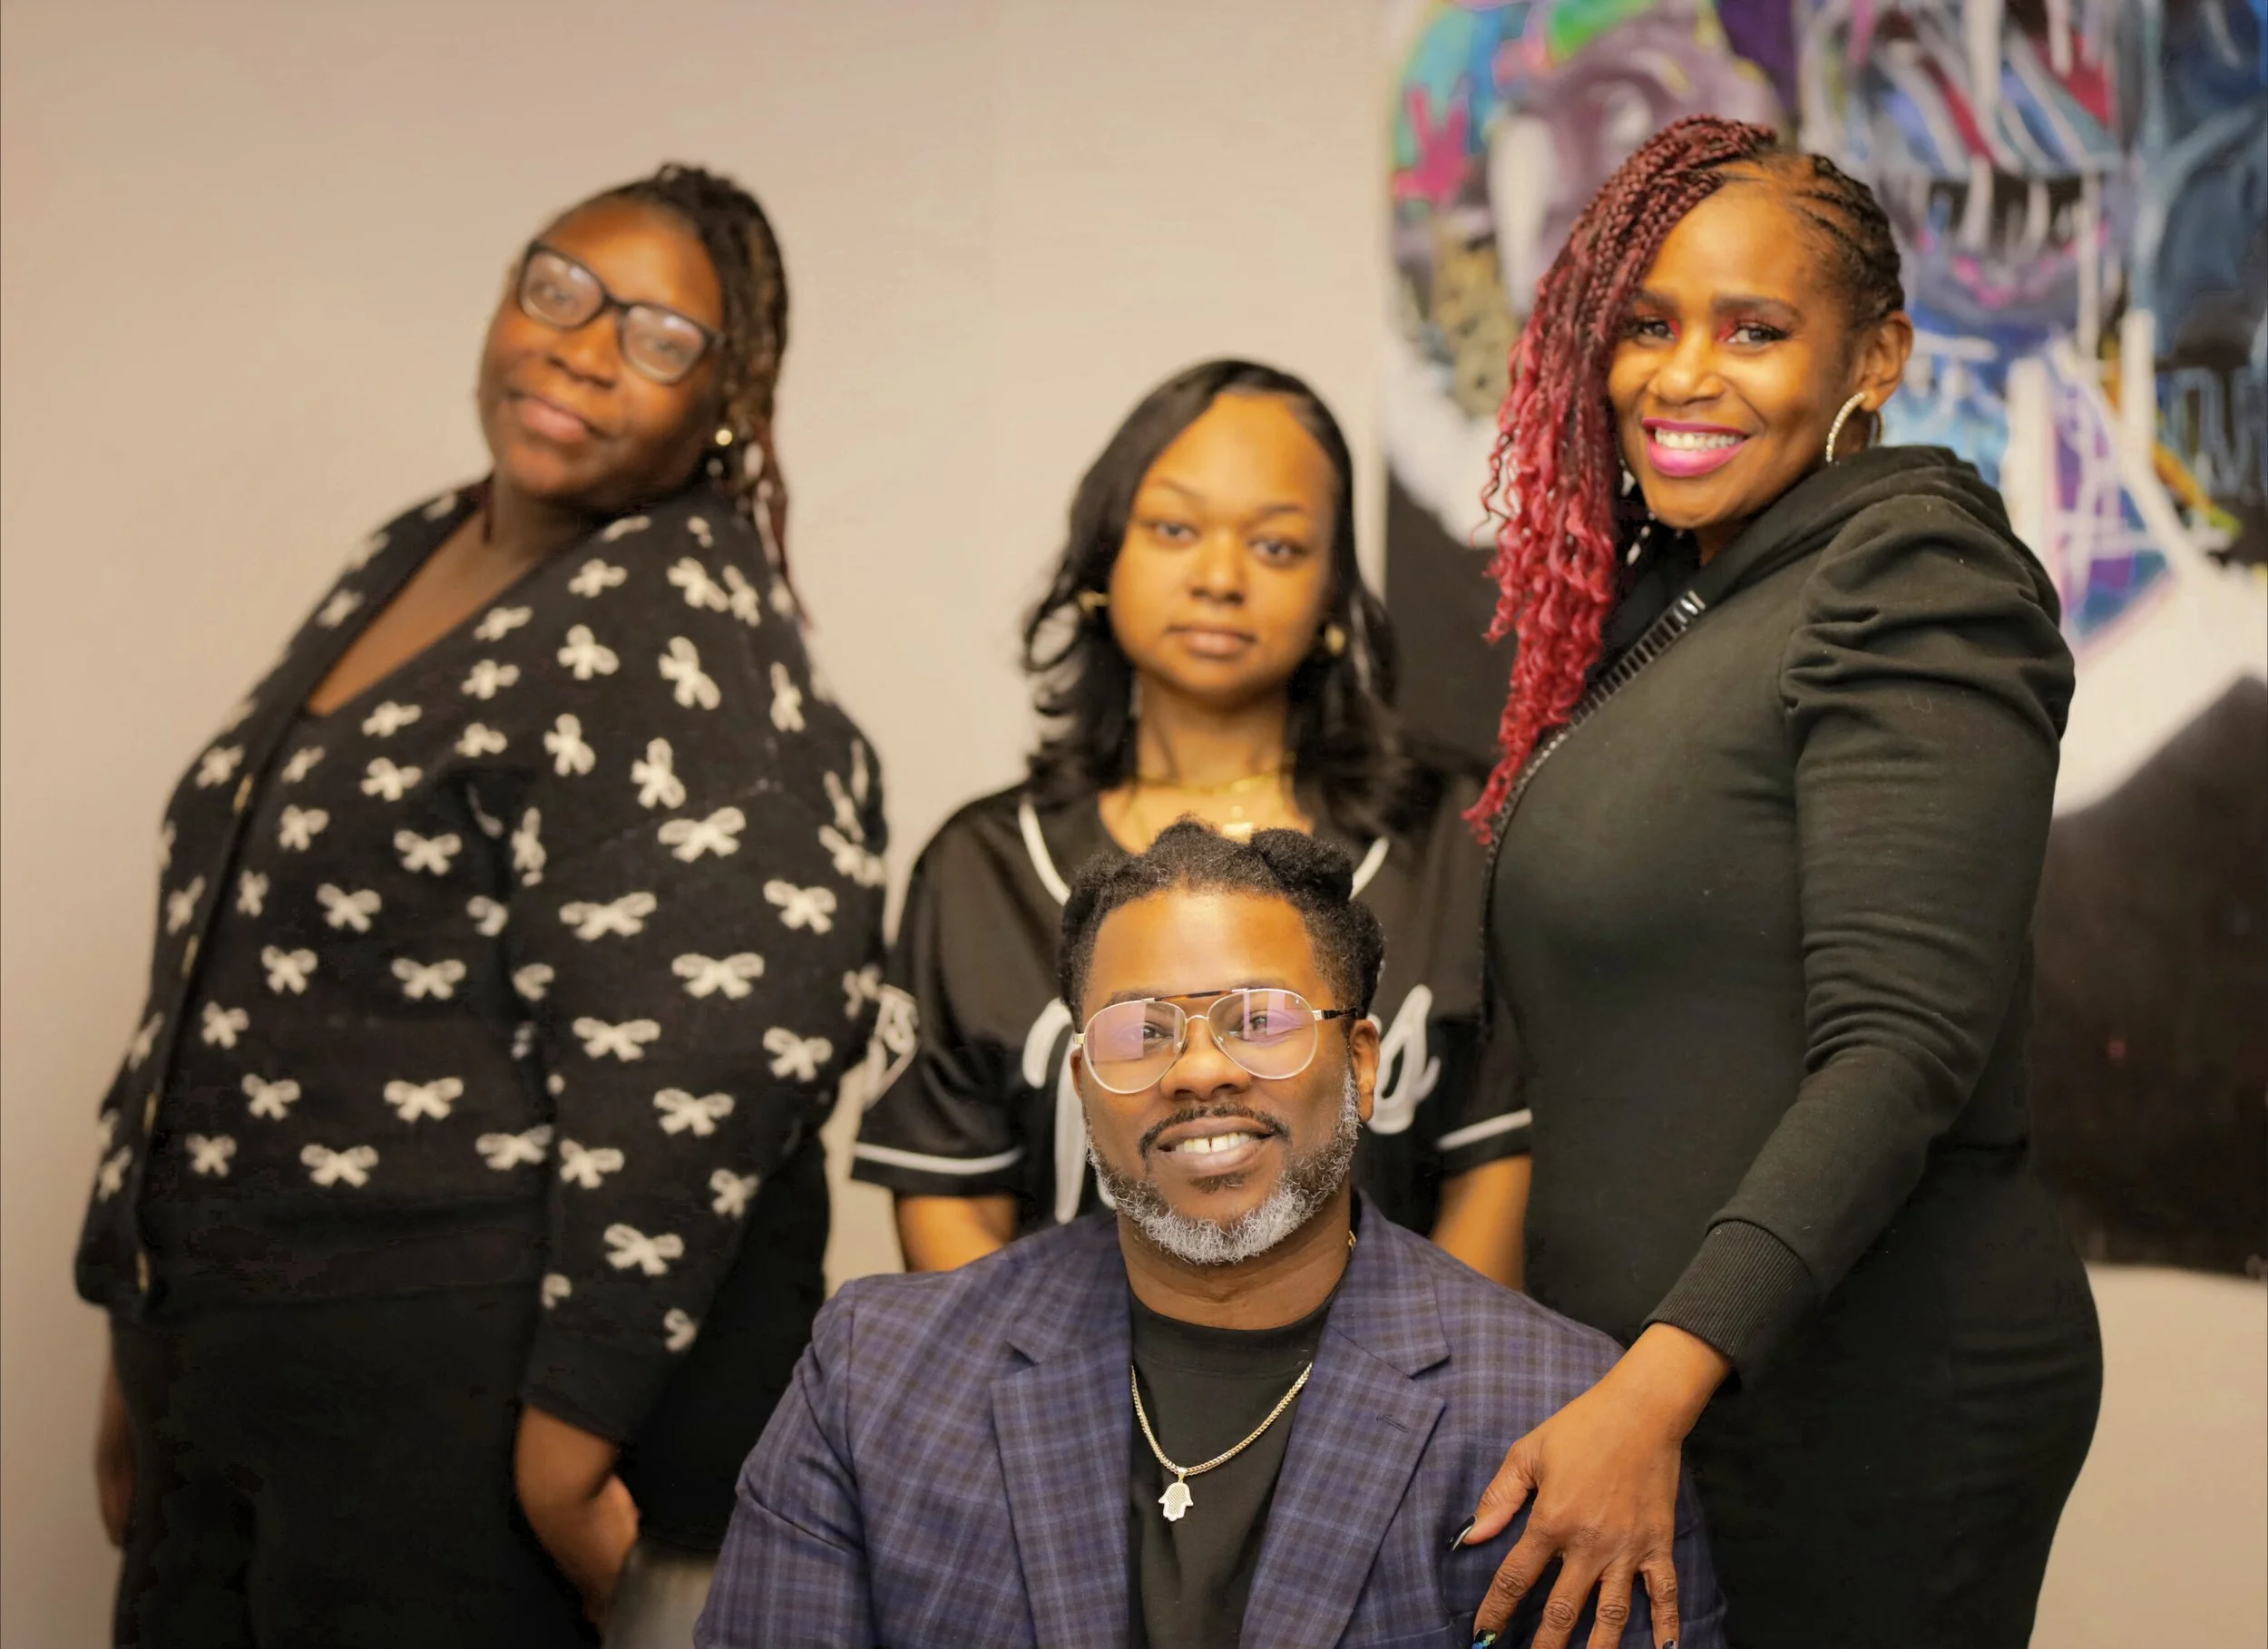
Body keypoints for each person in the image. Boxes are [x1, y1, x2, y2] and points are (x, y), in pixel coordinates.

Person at [77, 163, 887, 1647]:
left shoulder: (679, 624)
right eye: (559, 288)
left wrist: (572, 1431)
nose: (582, 344)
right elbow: (235, 943)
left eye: (655, 335)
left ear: (730, 401)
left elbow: (717, 1051)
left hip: (443, 1379)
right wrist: (141, 1319)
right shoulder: (410, 545)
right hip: (231, 1355)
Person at [1455, 117, 2103, 1649]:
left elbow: (1900, 1048)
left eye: (1756, 329)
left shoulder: (1912, 575)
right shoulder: (1686, 605)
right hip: (1672, 1397)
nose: (1685, 377)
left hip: (1854, 1404)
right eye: (1647, 326)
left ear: (1874, 351)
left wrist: (1658, 1381)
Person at [700, 824, 1725, 1648]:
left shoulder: (1562, 1416)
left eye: (1260, 1021)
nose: (1196, 1072)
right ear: (1083, 1089)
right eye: (1138, 1031)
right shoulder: (876, 1377)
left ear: (1362, 1064)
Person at [850, 360, 1527, 1283]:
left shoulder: (1454, 833)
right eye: (1174, 529)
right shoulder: (983, 866)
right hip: (1056, 1406)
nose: (1219, 576)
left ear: (1334, 593)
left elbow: (1494, 1174)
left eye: (1278, 546)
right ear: (1103, 559)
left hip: (1401, 1405)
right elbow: (950, 1210)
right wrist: (1034, 1415)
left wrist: (1425, 1404)